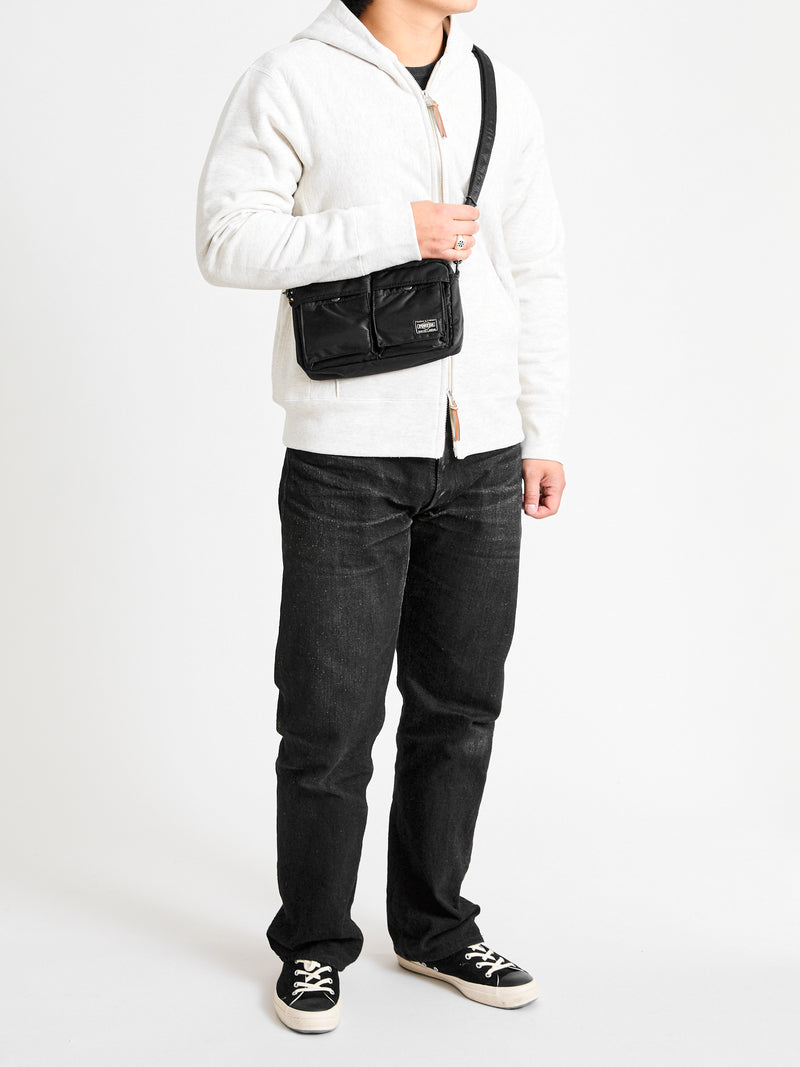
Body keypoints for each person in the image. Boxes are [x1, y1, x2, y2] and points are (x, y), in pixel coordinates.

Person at [196, 0, 569, 1035]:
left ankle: (435, 926)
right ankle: (313, 943)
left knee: (460, 707)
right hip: (345, 457)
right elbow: (225, 240)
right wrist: (394, 229)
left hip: (482, 454)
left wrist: (541, 428)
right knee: (328, 718)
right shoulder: (293, 77)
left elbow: (534, 267)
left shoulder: (496, 86)